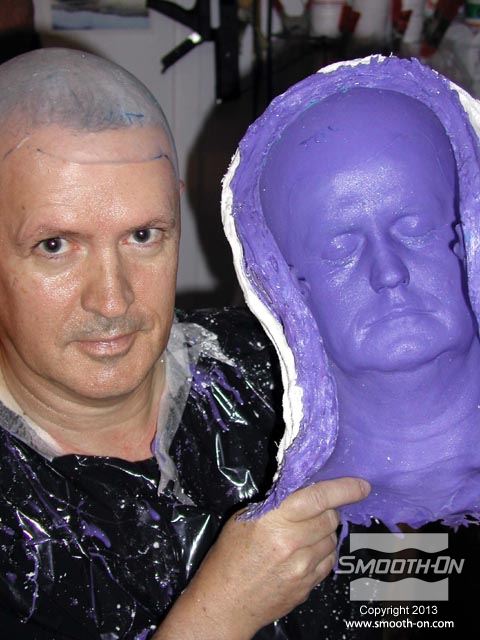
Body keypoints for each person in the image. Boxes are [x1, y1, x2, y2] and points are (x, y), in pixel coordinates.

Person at [0, 48, 369, 639]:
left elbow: (407, 590)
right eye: (55, 246)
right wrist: (221, 614)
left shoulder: (283, 372)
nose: (112, 300)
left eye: (143, 235)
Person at [223, 54, 480, 531]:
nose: (389, 273)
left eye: (415, 229)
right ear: (292, 289)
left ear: (468, 239)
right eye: (341, 249)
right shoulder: (291, 535)